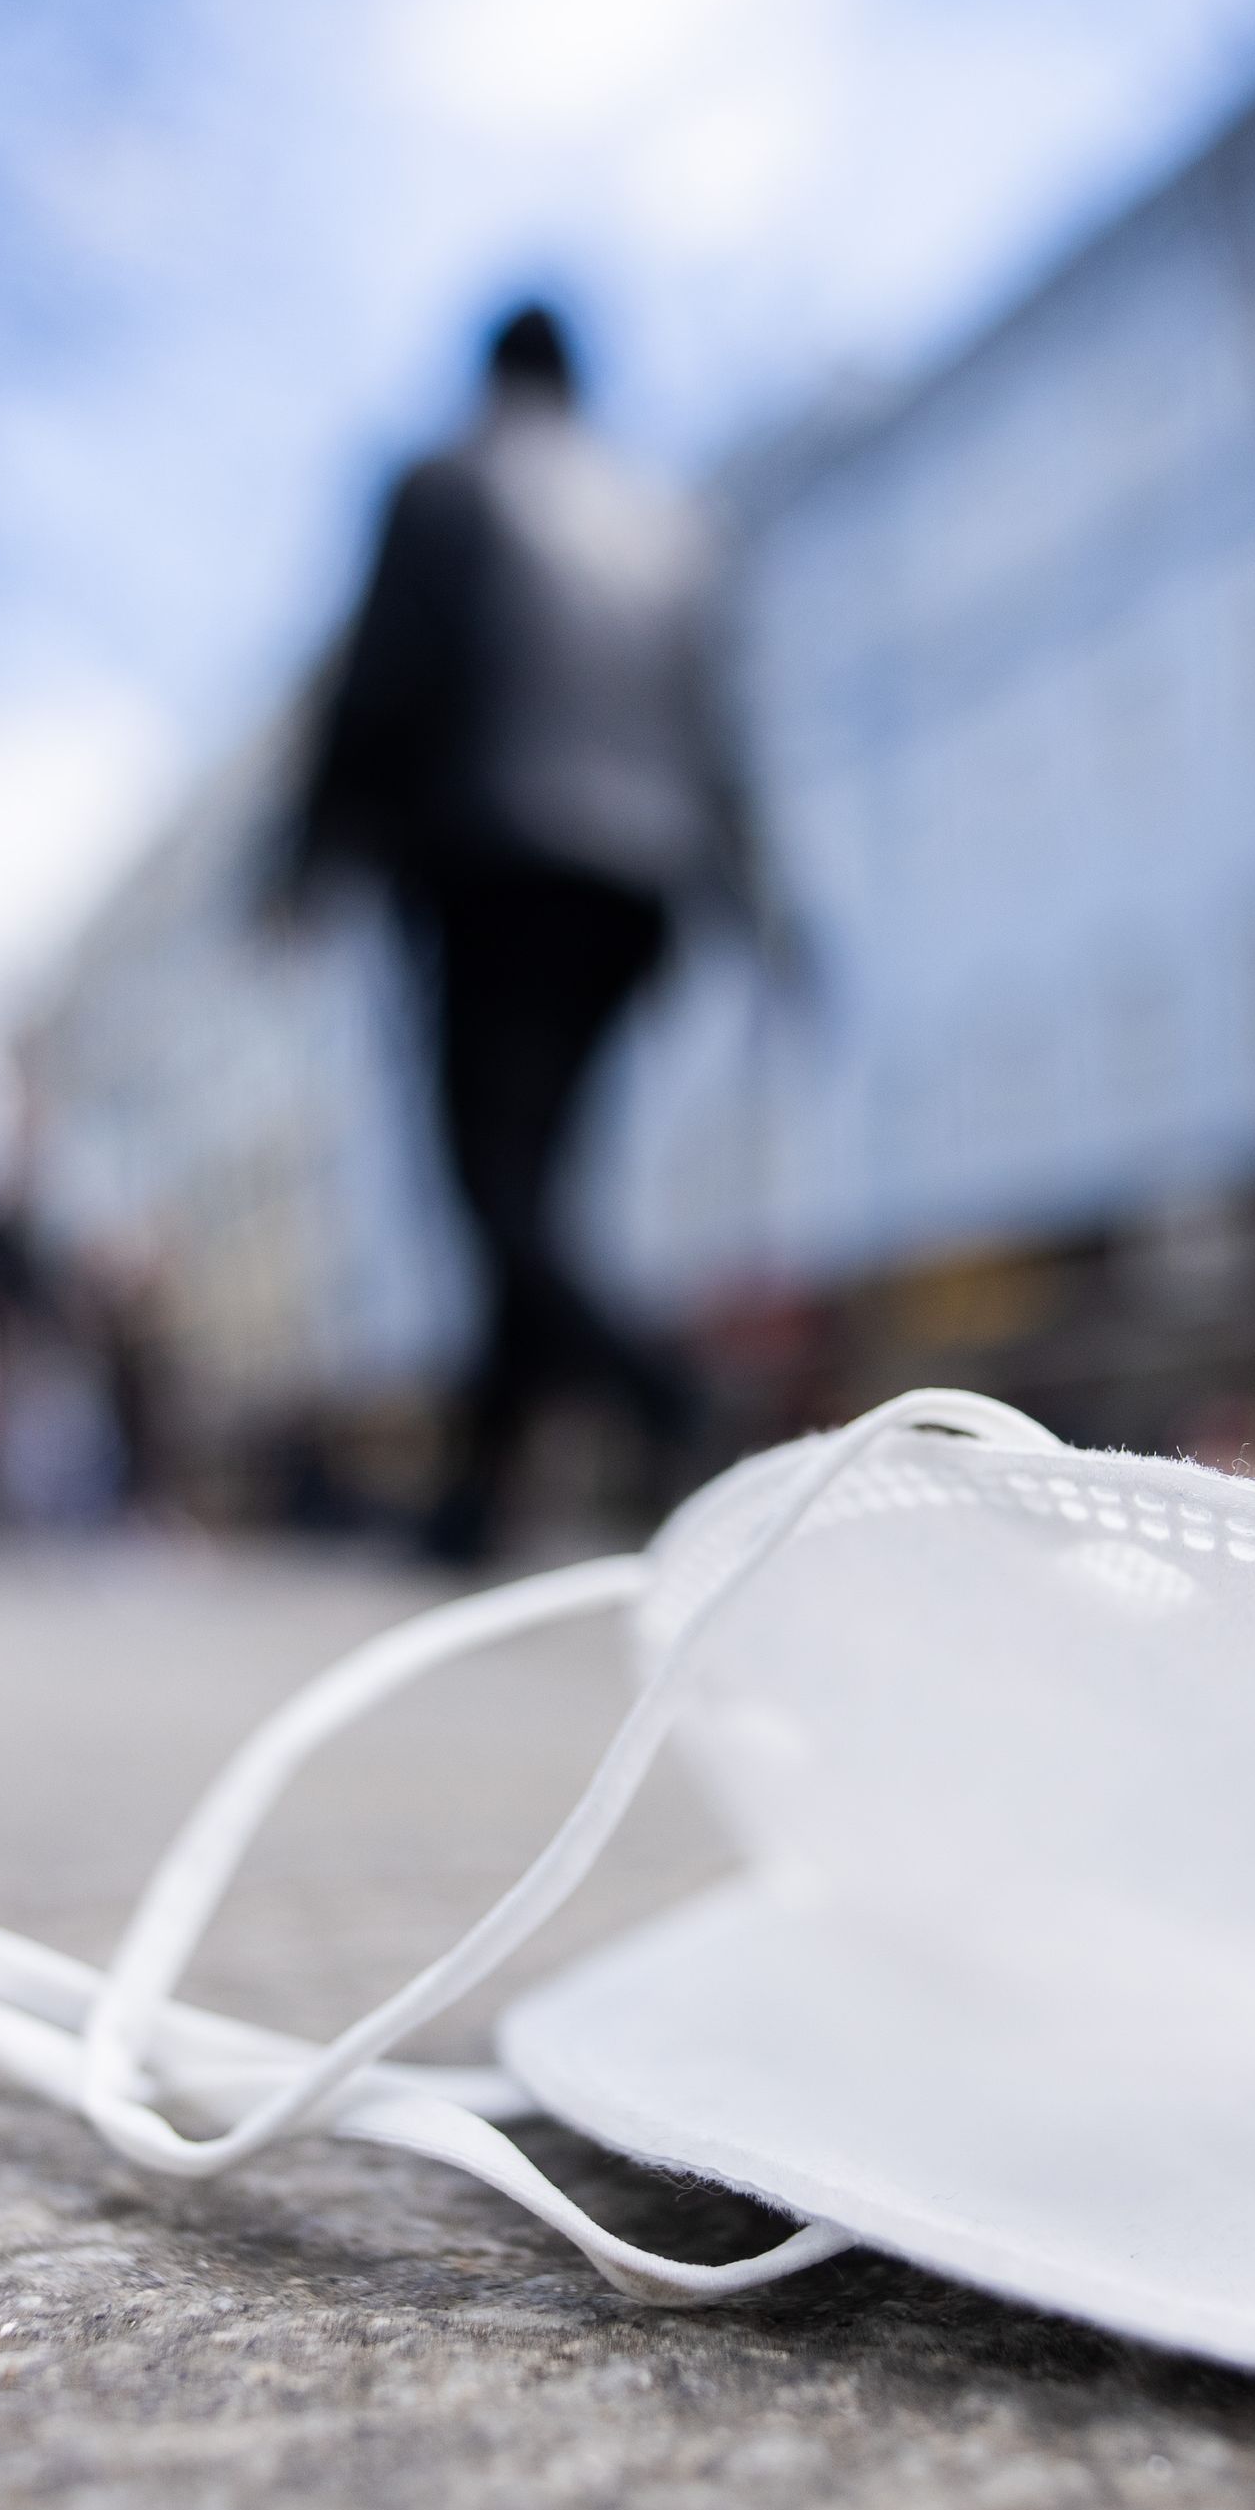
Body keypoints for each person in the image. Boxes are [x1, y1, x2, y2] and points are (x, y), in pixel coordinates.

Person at [267, 301, 789, 1565]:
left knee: (493, 1190)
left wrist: (306, 858)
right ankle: (473, 1500)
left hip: (495, 866)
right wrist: (764, 908)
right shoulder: (668, 518)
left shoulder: (447, 483)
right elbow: (718, 736)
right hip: (634, 893)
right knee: (538, 1187)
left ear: (490, 375)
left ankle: (659, 1389)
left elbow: (382, 674)